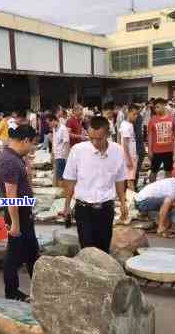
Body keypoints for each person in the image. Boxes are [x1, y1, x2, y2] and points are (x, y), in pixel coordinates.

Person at [63, 116, 128, 253]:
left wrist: (123, 203)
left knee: (103, 249)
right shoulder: (78, 150)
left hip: (106, 209)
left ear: (108, 135)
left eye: (99, 139)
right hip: (84, 209)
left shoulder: (117, 151)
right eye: (91, 138)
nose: (95, 142)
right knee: (87, 251)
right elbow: (70, 180)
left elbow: (120, 179)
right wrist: (67, 205)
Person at [0, 125, 39, 301]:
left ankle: (40, 287)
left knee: (31, 251)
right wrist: (15, 223)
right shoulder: (10, 161)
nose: (32, 148)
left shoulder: (14, 157)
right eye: (33, 144)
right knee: (14, 254)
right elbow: (10, 194)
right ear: (25, 140)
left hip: (22, 211)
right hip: (17, 213)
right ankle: (11, 292)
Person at [148, 98, 175, 182]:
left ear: (164, 106)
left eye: (158, 107)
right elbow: (149, 136)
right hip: (156, 151)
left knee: (168, 171)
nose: (156, 110)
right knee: (153, 171)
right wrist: (149, 150)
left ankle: (167, 190)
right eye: (155, 108)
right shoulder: (152, 120)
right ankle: (152, 189)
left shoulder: (172, 119)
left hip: (169, 150)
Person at [119, 104, 139, 191]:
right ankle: (133, 201)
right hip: (129, 156)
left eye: (137, 114)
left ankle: (128, 199)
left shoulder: (126, 124)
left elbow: (120, 140)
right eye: (134, 114)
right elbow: (125, 145)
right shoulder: (126, 126)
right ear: (129, 113)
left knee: (128, 179)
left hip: (130, 155)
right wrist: (128, 160)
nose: (136, 116)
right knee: (130, 180)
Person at [47, 113, 69, 188]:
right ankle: (59, 191)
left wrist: (66, 157)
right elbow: (54, 142)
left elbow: (66, 143)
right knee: (58, 175)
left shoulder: (63, 129)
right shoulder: (54, 129)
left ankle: (61, 193)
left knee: (61, 177)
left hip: (62, 156)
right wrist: (52, 154)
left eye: (49, 123)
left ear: (54, 121)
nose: (49, 125)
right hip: (57, 155)